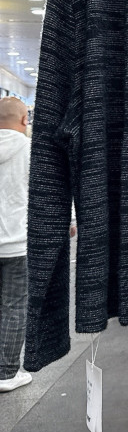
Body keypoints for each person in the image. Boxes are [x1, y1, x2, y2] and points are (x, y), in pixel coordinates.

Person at [0, 96, 32, 391]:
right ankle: (7, 372)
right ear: (24, 120)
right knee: (14, 306)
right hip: (17, 243)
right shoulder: (28, 149)